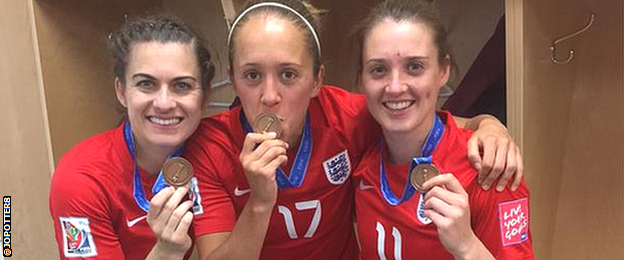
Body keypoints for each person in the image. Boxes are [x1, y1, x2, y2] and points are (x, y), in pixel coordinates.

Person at [186, 1, 523, 259]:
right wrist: (260, 201)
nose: (270, 96)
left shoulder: (351, 118)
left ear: (318, 80)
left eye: (289, 74)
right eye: (252, 75)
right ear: (232, 79)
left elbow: (422, 119)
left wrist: (489, 125)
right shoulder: (209, 147)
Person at [351, 0, 534, 259]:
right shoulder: (360, 159)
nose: (395, 87)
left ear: (443, 71)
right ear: (361, 81)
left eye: (415, 67)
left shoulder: (490, 168)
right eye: (378, 70)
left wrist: (467, 247)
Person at [49, 14, 215, 260]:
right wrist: (167, 252)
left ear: (204, 96)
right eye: (146, 84)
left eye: (182, 86)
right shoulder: (80, 179)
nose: (164, 103)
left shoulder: (216, 149)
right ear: (121, 91)